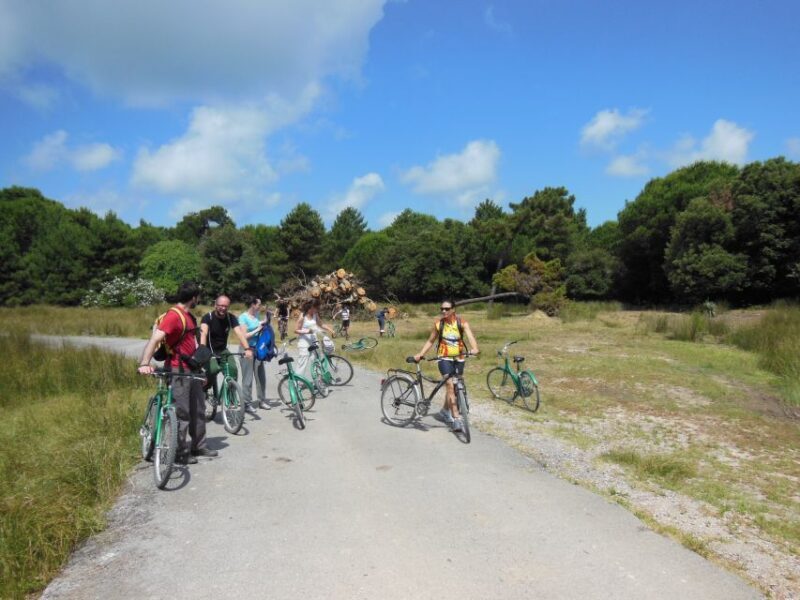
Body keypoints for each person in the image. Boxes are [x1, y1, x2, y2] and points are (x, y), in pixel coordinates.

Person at [137, 281, 217, 465]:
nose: (199, 300)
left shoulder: (189, 316)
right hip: (177, 369)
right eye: (198, 297)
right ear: (193, 298)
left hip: (192, 369)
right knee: (181, 412)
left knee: (198, 409)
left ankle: (199, 446)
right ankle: (180, 452)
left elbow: (192, 344)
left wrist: (200, 370)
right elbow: (156, 338)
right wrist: (144, 363)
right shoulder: (174, 316)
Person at [413, 299, 479, 433]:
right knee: (449, 384)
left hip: (459, 358)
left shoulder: (462, 323)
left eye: (447, 309)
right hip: (444, 357)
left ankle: (444, 410)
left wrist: (475, 348)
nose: (444, 311)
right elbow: (431, 341)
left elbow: (470, 337)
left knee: (455, 386)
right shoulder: (439, 324)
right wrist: (420, 354)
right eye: (442, 309)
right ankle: (456, 419)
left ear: (453, 310)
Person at [200, 295, 254, 412]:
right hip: (209, 351)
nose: (223, 308)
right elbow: (203, 333)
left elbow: (239, 333)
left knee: (233, 370)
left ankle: (229, 398)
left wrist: (247, 348)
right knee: (212, 370)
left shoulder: (231, 318)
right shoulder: (207, 317)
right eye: (220, 305)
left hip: (223, 350)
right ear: (215, 305)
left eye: (225, 306)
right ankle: (203, 389)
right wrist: (203, 349)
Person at [238, 296, 271, 412]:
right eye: (259, 304)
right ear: (253, 304)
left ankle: (262, 400)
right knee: (247, 378)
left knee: (261, 376)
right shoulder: (243, 317)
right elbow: (244, 336)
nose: (260, 306)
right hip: (246, 349)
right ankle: (246, 403)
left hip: (257, 349)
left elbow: (260, 323)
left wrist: (268, 317)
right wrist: (258, 329)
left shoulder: (256, 316)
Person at [294, 298, 335, 378]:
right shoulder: (303, 316)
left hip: (313, 339)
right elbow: (296, 330)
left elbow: (321, 324)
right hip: (304, 341)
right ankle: (297, 381)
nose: (318, 309)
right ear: (311, 307)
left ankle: (318, 380)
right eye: (317, 307)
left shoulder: (315, 315)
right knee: (303, 360)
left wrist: (331, 330)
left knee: (316, 359)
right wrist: (307, 331)